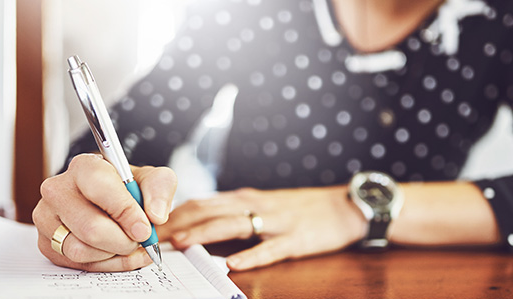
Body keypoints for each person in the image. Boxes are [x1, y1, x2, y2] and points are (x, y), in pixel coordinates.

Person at [32, 0, 513, 272]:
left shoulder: (498, 22)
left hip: (420, 290)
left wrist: (349, 208)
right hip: (248, 279)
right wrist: (95, 191)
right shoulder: (250, 10)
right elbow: (133, 130)